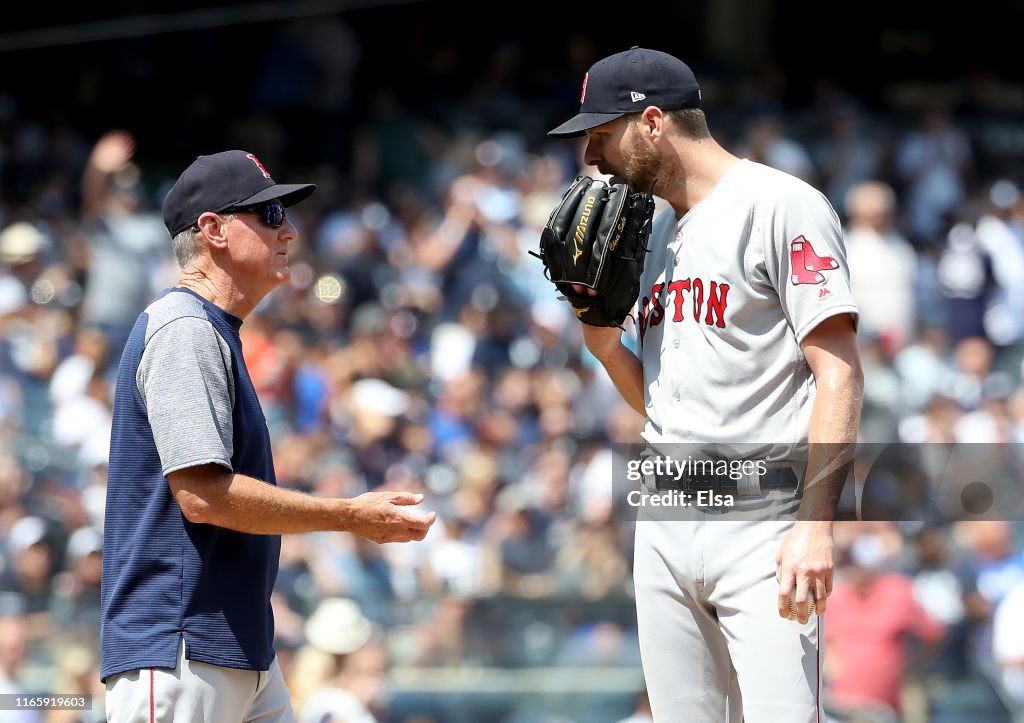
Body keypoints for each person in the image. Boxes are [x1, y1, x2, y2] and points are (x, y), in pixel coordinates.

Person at [546, 47, 863, 721]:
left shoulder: (780, 204)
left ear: (654, 122)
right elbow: (658, 400)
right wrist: (604, 348)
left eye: (601, 134)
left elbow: (839, 371)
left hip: (761, 514)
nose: (592, 158)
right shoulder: (654, 234)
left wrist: (815, 526)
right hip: (664, 510)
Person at [100, 150, 437, 723]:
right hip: (179, 647)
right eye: (271, 214)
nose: (291, 231)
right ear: (214, 230)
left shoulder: (212, 330)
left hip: (236, 645)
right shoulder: (184, 328)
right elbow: (203, 497)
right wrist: (347, 516)